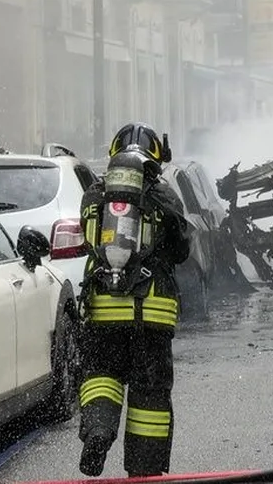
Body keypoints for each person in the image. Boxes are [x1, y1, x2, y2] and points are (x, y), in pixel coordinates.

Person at [77, 122, 192, 478]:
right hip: (151, 315)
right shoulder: (162, 195)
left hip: (103, 311)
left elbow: (88, 241)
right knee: (150, 397)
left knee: (101, 375)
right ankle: (145, 471)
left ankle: (98, 431)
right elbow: (181, 250)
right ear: (156, 157)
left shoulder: (94, 195)